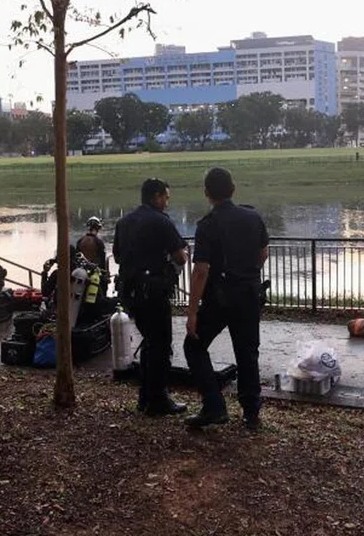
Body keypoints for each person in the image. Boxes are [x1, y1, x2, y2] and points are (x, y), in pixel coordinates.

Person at [184, 167, 269, 431]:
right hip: (249, 294)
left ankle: (214, 406)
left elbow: (200, 271)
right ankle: (251, 414)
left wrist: (192, 312)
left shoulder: (207, 225)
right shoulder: (253, 217)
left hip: (219, 299)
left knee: (194, 346)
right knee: (247, 352)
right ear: (233, 189)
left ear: (207, 193)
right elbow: (263, 254)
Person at [113, 178, 189, 416]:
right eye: (166, 197)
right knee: (161, 345)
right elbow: (181, 257)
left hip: (130, 293)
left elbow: (116, 256)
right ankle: (157, 400)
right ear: (156, 197)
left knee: (149, 342)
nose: (167, 202)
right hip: (154, 292)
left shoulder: (124, 222)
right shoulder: (161, 221)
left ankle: (146, 397)